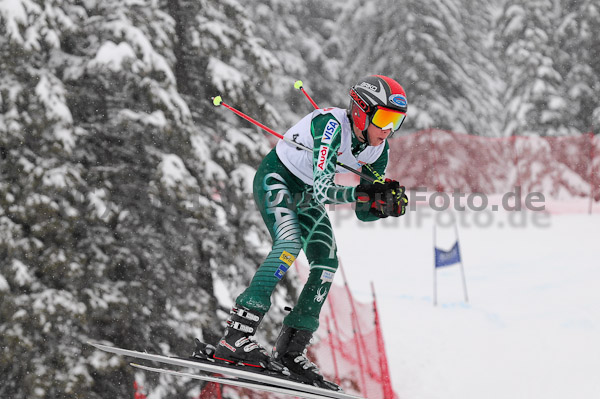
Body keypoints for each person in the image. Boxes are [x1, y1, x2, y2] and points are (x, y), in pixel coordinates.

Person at [210, 75, 408, 389]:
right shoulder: (330, 126)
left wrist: (384, 207)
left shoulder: (377, 152)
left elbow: (363, 213)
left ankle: (291, 349)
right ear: (361, 111)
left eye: (396, 121)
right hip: (277, 179)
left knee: (327, 263)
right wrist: (364, 195)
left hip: (305, 195)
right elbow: (324, 188)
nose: (387, 130)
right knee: (288, 243)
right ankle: (236, 336)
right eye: (383, 118)